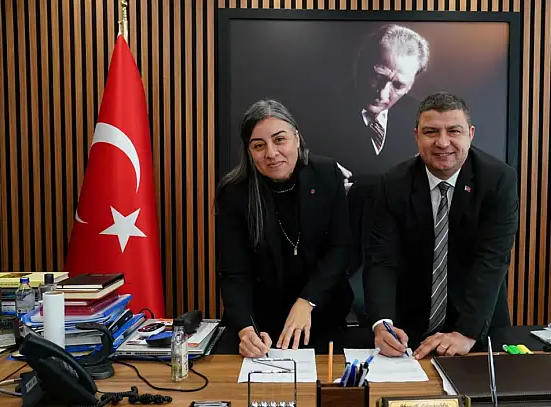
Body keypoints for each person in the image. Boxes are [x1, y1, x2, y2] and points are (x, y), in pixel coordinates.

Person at [363, 92, 519, 359]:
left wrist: (466, 333)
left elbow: (492, 260)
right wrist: (383, 324)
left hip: (476, 327)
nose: (442, 142)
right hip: (408, 331)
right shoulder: (393, 183)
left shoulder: (498, 180)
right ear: (416, 136)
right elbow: (381, 259)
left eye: (454, 131)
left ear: (470, 134)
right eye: (431, 132)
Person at [216, 99, 354, 358]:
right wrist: (246, 330)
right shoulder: (234, 192)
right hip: (260, 324)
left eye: (280, 140)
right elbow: (234, 273)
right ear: (249, 151)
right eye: (259, 145)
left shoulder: (326, 174)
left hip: (321, 314)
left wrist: (307, 301)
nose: (271, 153)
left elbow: (340, 248)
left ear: (297, 139)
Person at [312, 24, 430, 185]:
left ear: (411, 84)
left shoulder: (422, 117)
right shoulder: (317, 109)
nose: (382, 94)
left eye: (398, 86)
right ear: (361, 64)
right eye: (377, 77)